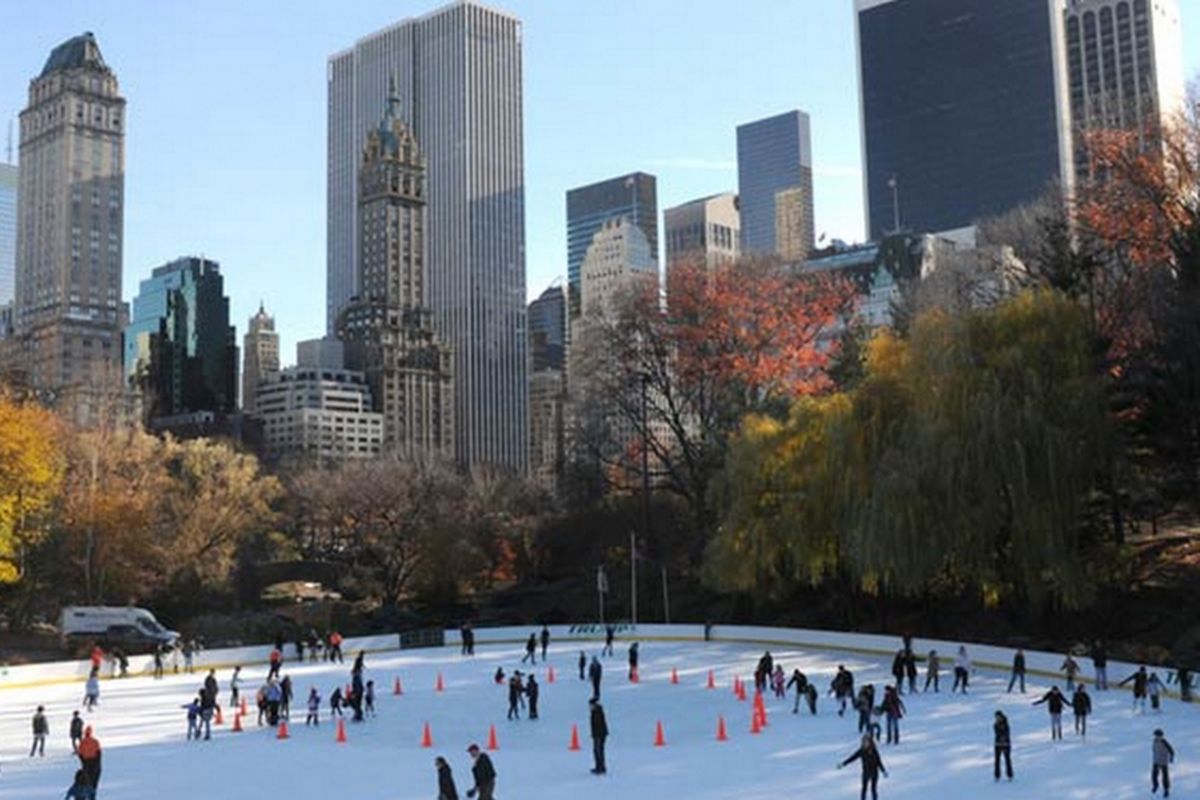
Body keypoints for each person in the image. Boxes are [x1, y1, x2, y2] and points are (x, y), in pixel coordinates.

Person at [838, 733, 888, 800]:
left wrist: (883, 771)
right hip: (866, 772)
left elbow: (879, 762)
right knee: (864, 789)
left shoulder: (874, 751)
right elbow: (853, 757)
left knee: (873, 789)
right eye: (864, 742)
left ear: (870, 742)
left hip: (874, 772)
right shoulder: (861, 751)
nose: (865, 743)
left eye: (866, 742)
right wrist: (843, 764)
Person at [76, 726, 101, 795]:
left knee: (88, 781)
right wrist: (98, 765)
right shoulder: (95, 742)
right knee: (94, 782)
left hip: (86, 763)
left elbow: (80, 754)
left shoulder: (82, 743)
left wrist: (83, 762)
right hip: (95, 763)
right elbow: (99, 754)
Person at [1152, 728, 1175, 798]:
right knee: (1154, 775)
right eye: (1156, 735)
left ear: (1161, 736)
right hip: (1156, 761)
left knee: (1165, 777)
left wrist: (1171, 758)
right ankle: (1155, 786)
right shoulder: (1154, 741)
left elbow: (1172, 751)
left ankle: (1166, 790)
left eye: (1158, 736)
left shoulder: (1165, 742)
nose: (1157, 737)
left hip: (1163, 762)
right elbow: (1153, 750)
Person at [589, 698, 608, 775]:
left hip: (599, 735)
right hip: (598, 734)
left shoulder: (597, 712)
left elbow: (598, 725)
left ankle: (601, 767)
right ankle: (599, 766)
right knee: (597, 751)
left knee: (598, 751)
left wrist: (596, 735)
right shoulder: (595, 712)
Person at [993, 710, 1013, 782]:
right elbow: (997, 734)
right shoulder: (995, 725)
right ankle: (997, 776)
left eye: (998, 717)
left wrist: (1004, 741)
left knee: (1007, 760)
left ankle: (1009, 775)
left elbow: (1006, 734)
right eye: (996, 717)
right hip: (997, 745)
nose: (997, 718)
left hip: (1006, 745)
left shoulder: (1006, 724)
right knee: (997, 761)